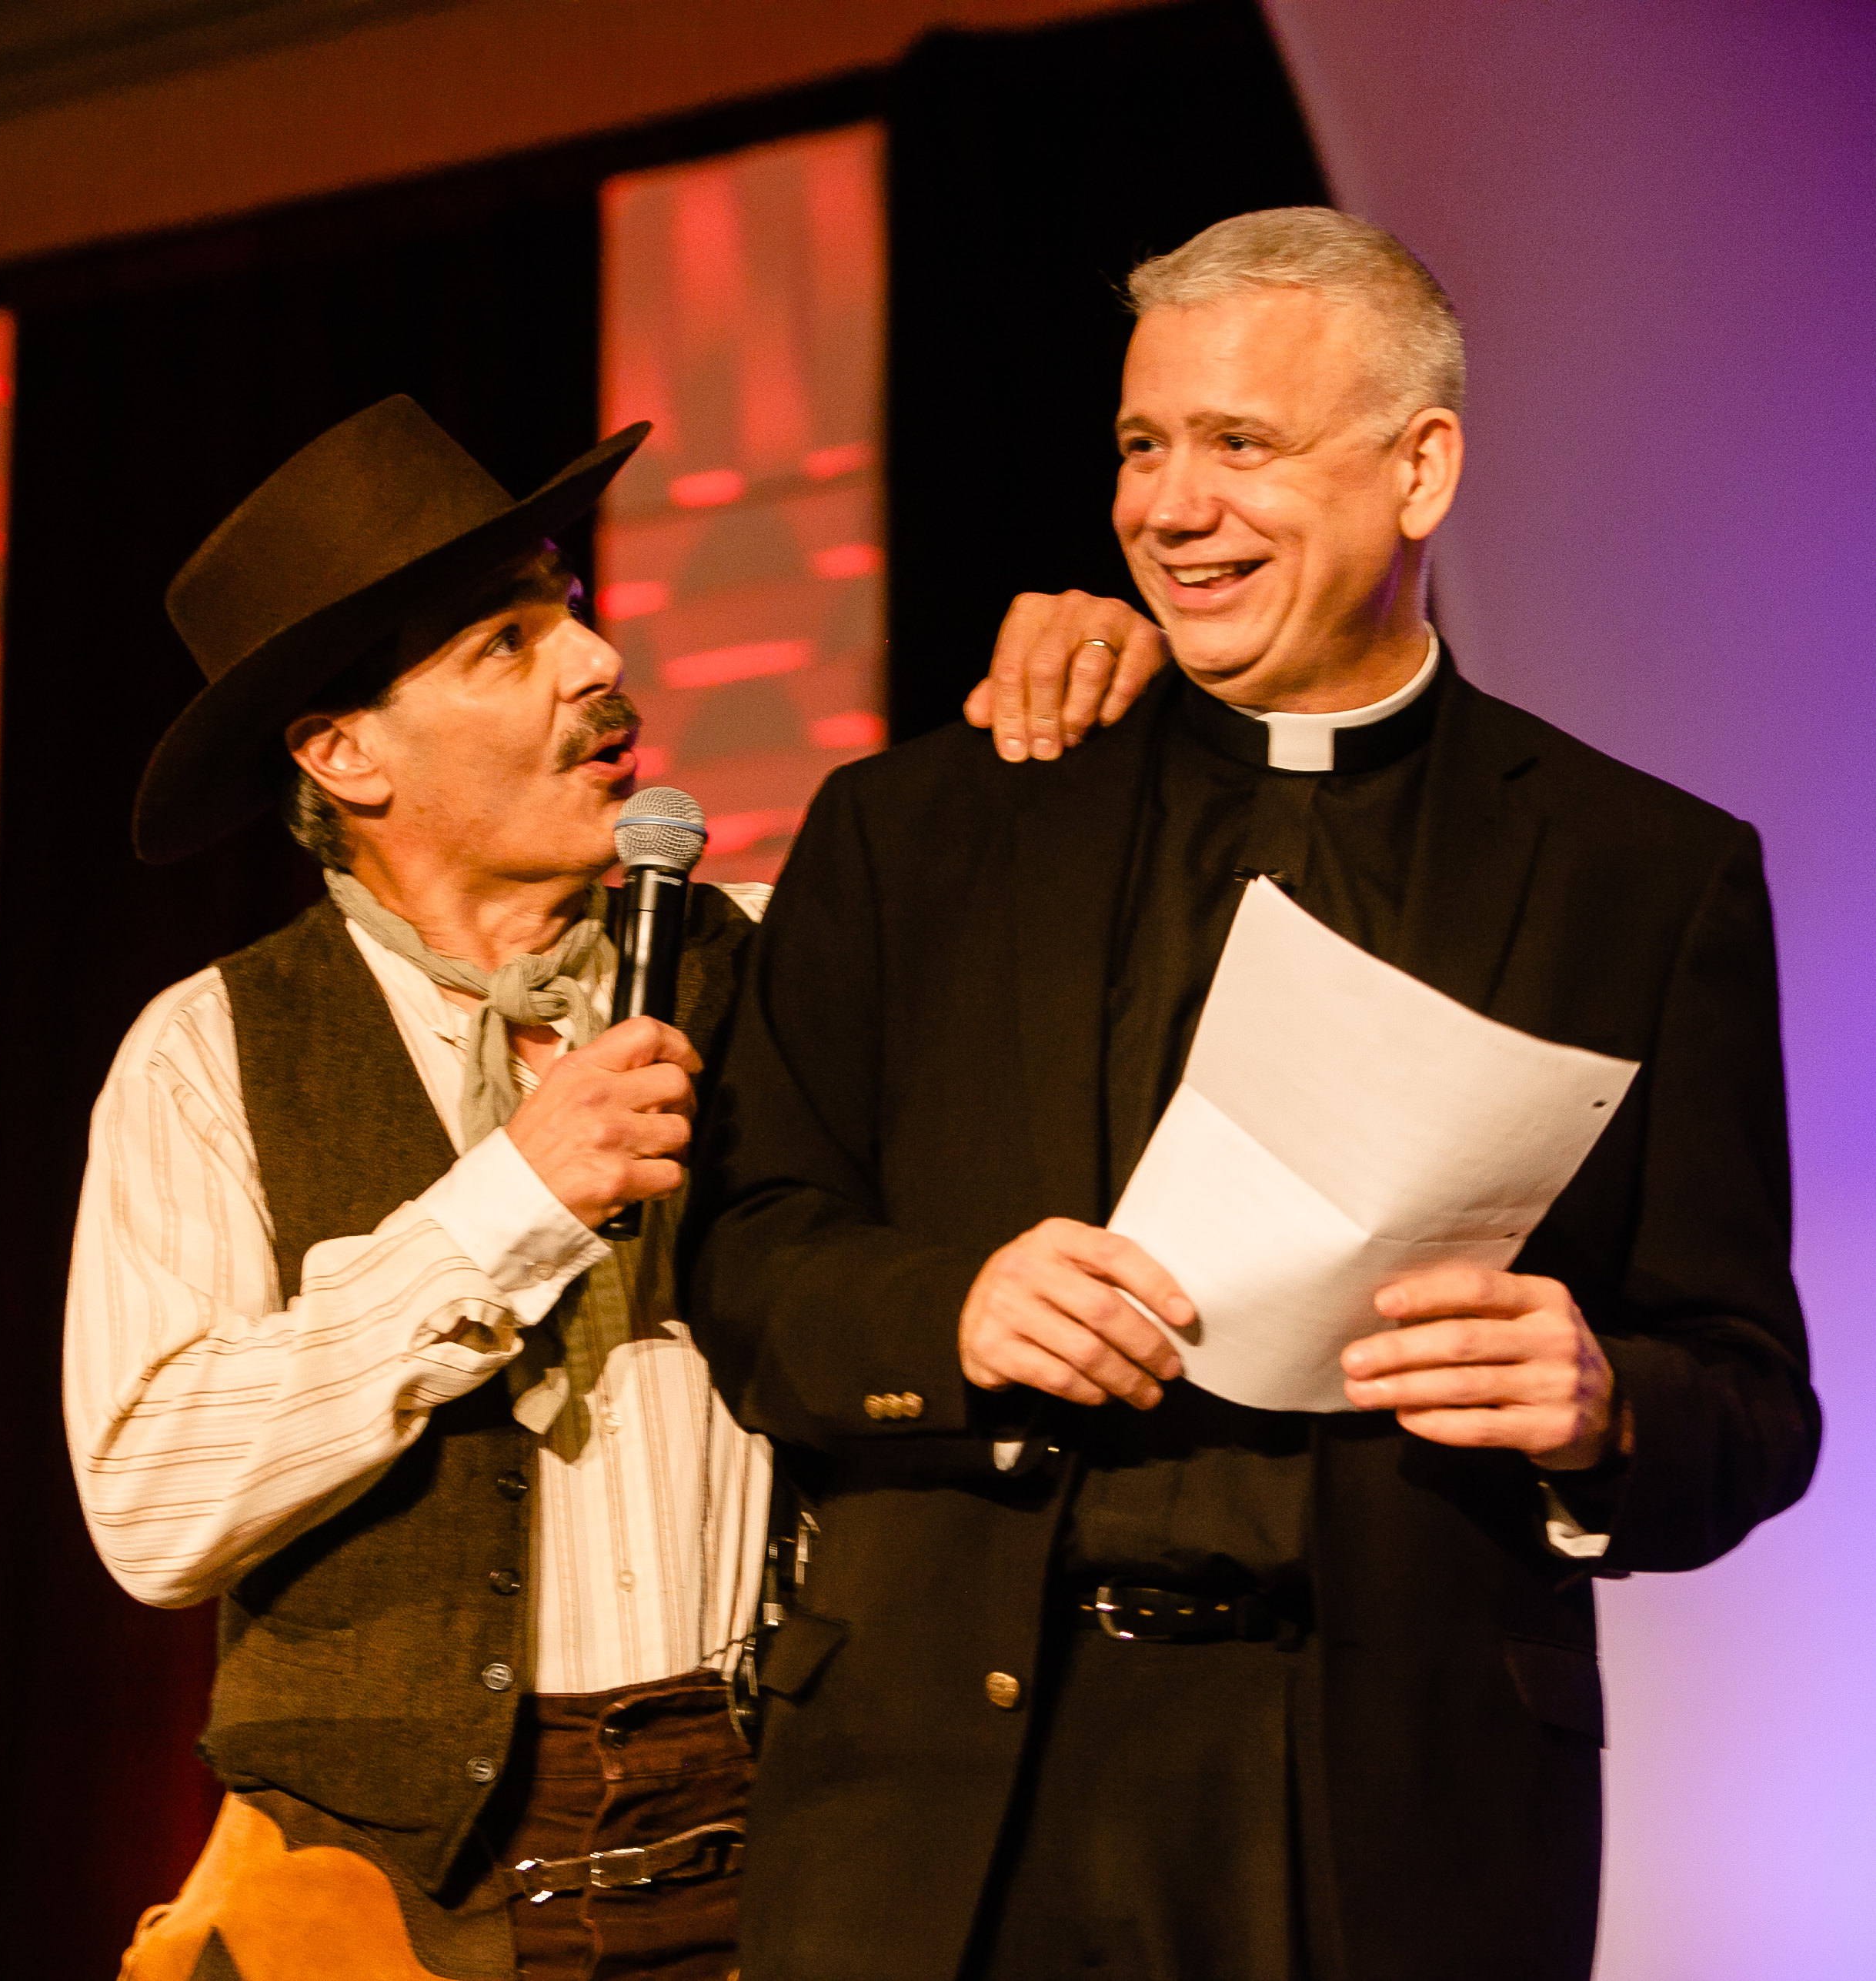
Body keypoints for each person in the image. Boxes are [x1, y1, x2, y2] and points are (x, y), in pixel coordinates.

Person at [689, 207, 1816, 1981]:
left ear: (1418, 469)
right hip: (954, 1798)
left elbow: (1751, 1404)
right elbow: (744, 1262)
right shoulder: (924, 828)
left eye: (1240, 445)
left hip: (1388, 1817)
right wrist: (954, 1305)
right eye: (1142, 444)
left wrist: (1601, 1404)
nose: (1166, 506)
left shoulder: (1637, 875)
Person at [65, 395, 1156, 1980]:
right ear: (342, 751)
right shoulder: (205, 1053)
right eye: (504, 645)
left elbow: (1098, 1044)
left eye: (566, 611)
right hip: (397, 1907)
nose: (595, 665)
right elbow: (152, 1501)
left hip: (787, 1845)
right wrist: (509, 1202)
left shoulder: (775, 955)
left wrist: (1115, 734)